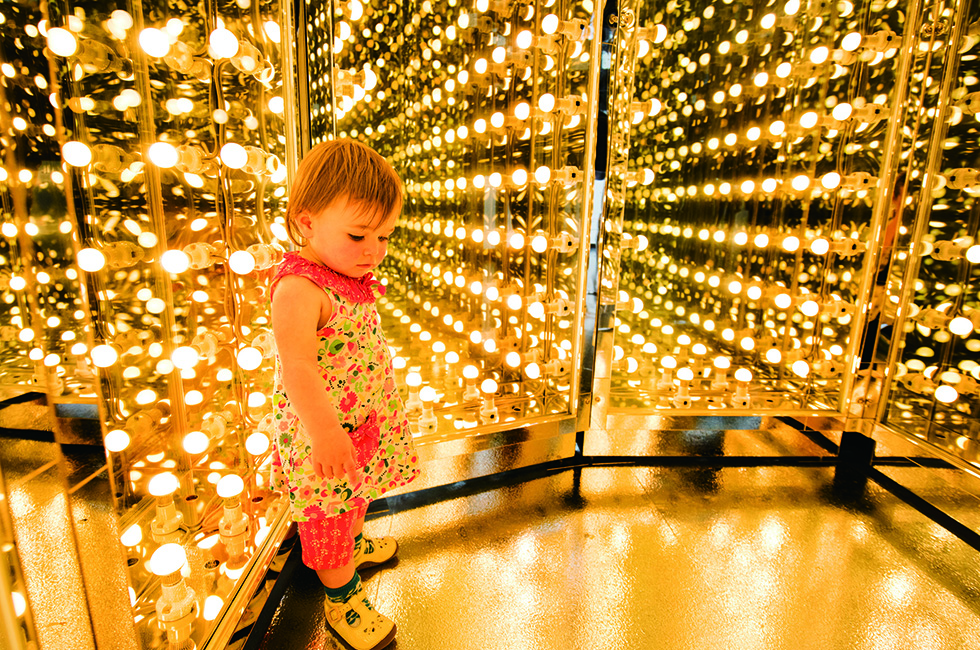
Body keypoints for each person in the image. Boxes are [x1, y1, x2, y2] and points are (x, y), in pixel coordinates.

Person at [270, 138, 420, 650]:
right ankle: (342, 598)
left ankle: (356, 542)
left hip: (362, 422)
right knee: (329, 518)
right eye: (358, 235)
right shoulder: (299, 289)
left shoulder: (349, 277)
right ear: (306, 221)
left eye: (384, 236)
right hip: (326, 435)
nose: (374, 250)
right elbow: (297, 369)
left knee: (356, 496)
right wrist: (326, 432)